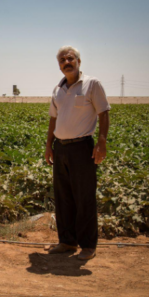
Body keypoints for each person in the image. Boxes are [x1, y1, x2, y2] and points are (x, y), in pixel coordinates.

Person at [44, 46, 111, 261]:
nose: (67, 62)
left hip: (83, 147)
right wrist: (49, 145)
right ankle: (67, 241)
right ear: (59, 65)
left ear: (79, 61)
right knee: (63, 196)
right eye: (62, 60)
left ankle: (88, 245)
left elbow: (103, 112)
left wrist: (101, 142)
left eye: (70, 58)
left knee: (84, 197)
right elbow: (53, 119)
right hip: (61, 148)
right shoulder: (57, 90)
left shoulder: (92, 84)